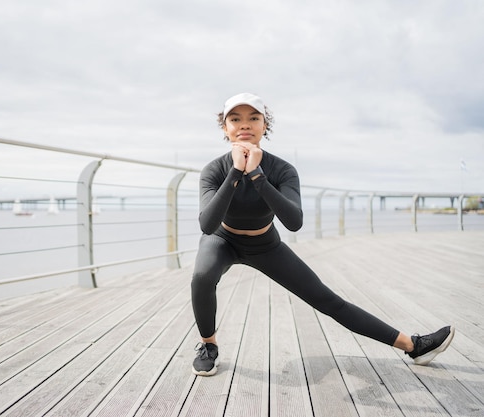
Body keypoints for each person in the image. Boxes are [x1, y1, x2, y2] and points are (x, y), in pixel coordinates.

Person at [190, 92, 455, 376]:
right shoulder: (214, 170)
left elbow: (293, 222)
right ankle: (208, 345)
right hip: (222, 240)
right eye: (235, 118)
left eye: (254, 118)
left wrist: (256, 175)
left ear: (264, 126)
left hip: (265, 244)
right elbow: (207, 224)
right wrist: (235, 171)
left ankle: (414, 346)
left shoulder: (282, 170)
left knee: (328, 300)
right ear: (225, 127)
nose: (245, 124)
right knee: (203, 276)